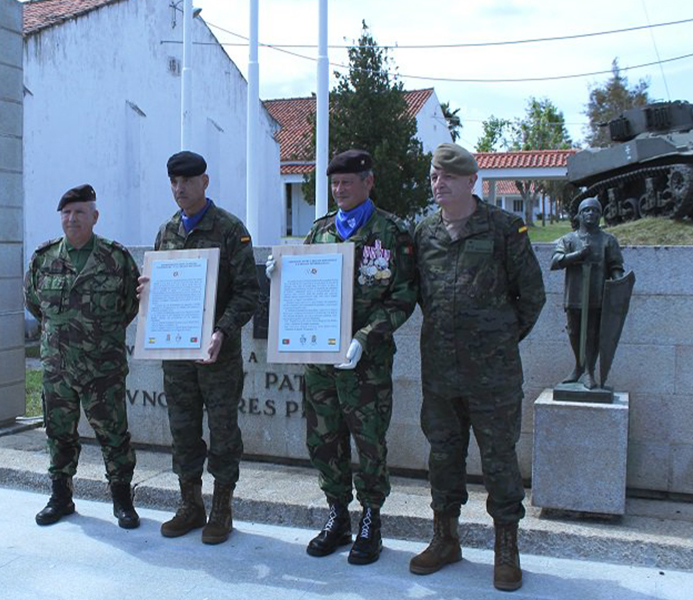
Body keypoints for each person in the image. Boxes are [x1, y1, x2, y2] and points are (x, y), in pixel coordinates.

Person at [268, 149, 417, 565]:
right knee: (323, 439)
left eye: (347, 182)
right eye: (334, 183)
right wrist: (280, 274)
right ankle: (338, 515)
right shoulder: (319, 233)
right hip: (320, 362)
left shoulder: (391, 234)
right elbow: (302, 284)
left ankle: (371, 519)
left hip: (365, 366)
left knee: (369, 442)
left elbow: (404, 297)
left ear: (368, 182)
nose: (339, 190)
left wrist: (366, 337)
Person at [410, 143, 546, 591]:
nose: (438, 183)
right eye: (434, 176)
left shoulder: (506, 229)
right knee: (443, 457)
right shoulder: (425, 233)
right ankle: (445, 538)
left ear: (471, 181)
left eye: (448, 176)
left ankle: (506, 547)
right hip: (441, 376)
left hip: (494, 378)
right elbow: (419, 296)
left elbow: (532, 296)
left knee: (500, 461)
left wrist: (500, 340)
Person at [141, 151, 259, 545]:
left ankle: (222, 508)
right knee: (183, 429)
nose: (180, 189)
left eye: (187, 182)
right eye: (174, 182)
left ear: (205, 182)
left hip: (218, 355)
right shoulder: (166, 232)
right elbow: (163, 290)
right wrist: (149, 293)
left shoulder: (229, 229)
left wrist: (222, 330)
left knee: (223, 432)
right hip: (177, 354)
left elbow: (248, 294)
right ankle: (190, 505)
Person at [24, 184, 141, 529]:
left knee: (114, 434)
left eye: (79, 212)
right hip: (57, 368)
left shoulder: (115, 259)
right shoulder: (43, 259)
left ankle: (122, 500)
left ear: (94, 216)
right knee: (59, 433)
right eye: (67, 213)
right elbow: (34, 303)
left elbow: (129, 306)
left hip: (102, 368)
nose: (72, 218)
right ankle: (61, 497)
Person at [550, 197, 625, 389]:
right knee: (574, 331)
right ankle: (578, 366)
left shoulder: (608, 240)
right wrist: (577, 256)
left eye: (594, 211)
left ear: (600, 215)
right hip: (574, 294)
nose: (590, 214)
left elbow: (616, 266)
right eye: (586, 211)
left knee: (593, 333)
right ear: (579, 215)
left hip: (597, 295)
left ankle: (590, 371)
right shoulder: (568, 239)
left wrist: (619, 284)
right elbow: (555, 262)